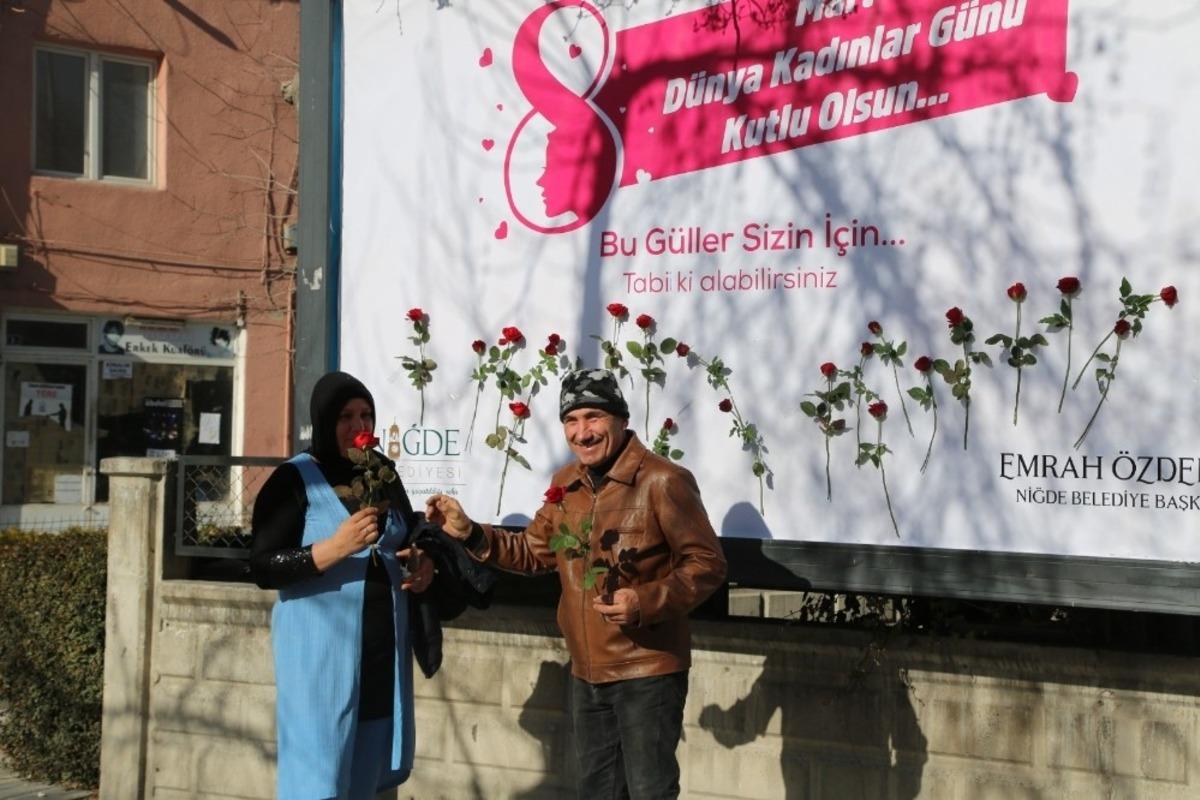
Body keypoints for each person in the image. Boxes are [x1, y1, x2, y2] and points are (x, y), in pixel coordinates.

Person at [426, 368, 727, 799]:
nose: (582, 432)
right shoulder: (565, 485)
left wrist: (644, 601)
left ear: (621, 419)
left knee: (650, 792)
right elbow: (533, 552)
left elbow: (707, 563)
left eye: (593, 417)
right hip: (586, 672)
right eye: (571, 420)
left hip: (648, 672)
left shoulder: (663, 480)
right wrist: (470, 532)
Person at [250, 371, 450, 799]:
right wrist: (333, 549)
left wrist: (421, 561)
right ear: (323, 420)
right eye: (345, 416)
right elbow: (263, 567)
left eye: (366, 415)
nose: (359, 425)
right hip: (320, 662)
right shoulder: (293, 479)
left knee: (368, 781)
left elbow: (406, 536)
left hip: (380, 658)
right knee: (317, 781)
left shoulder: (382, 473)